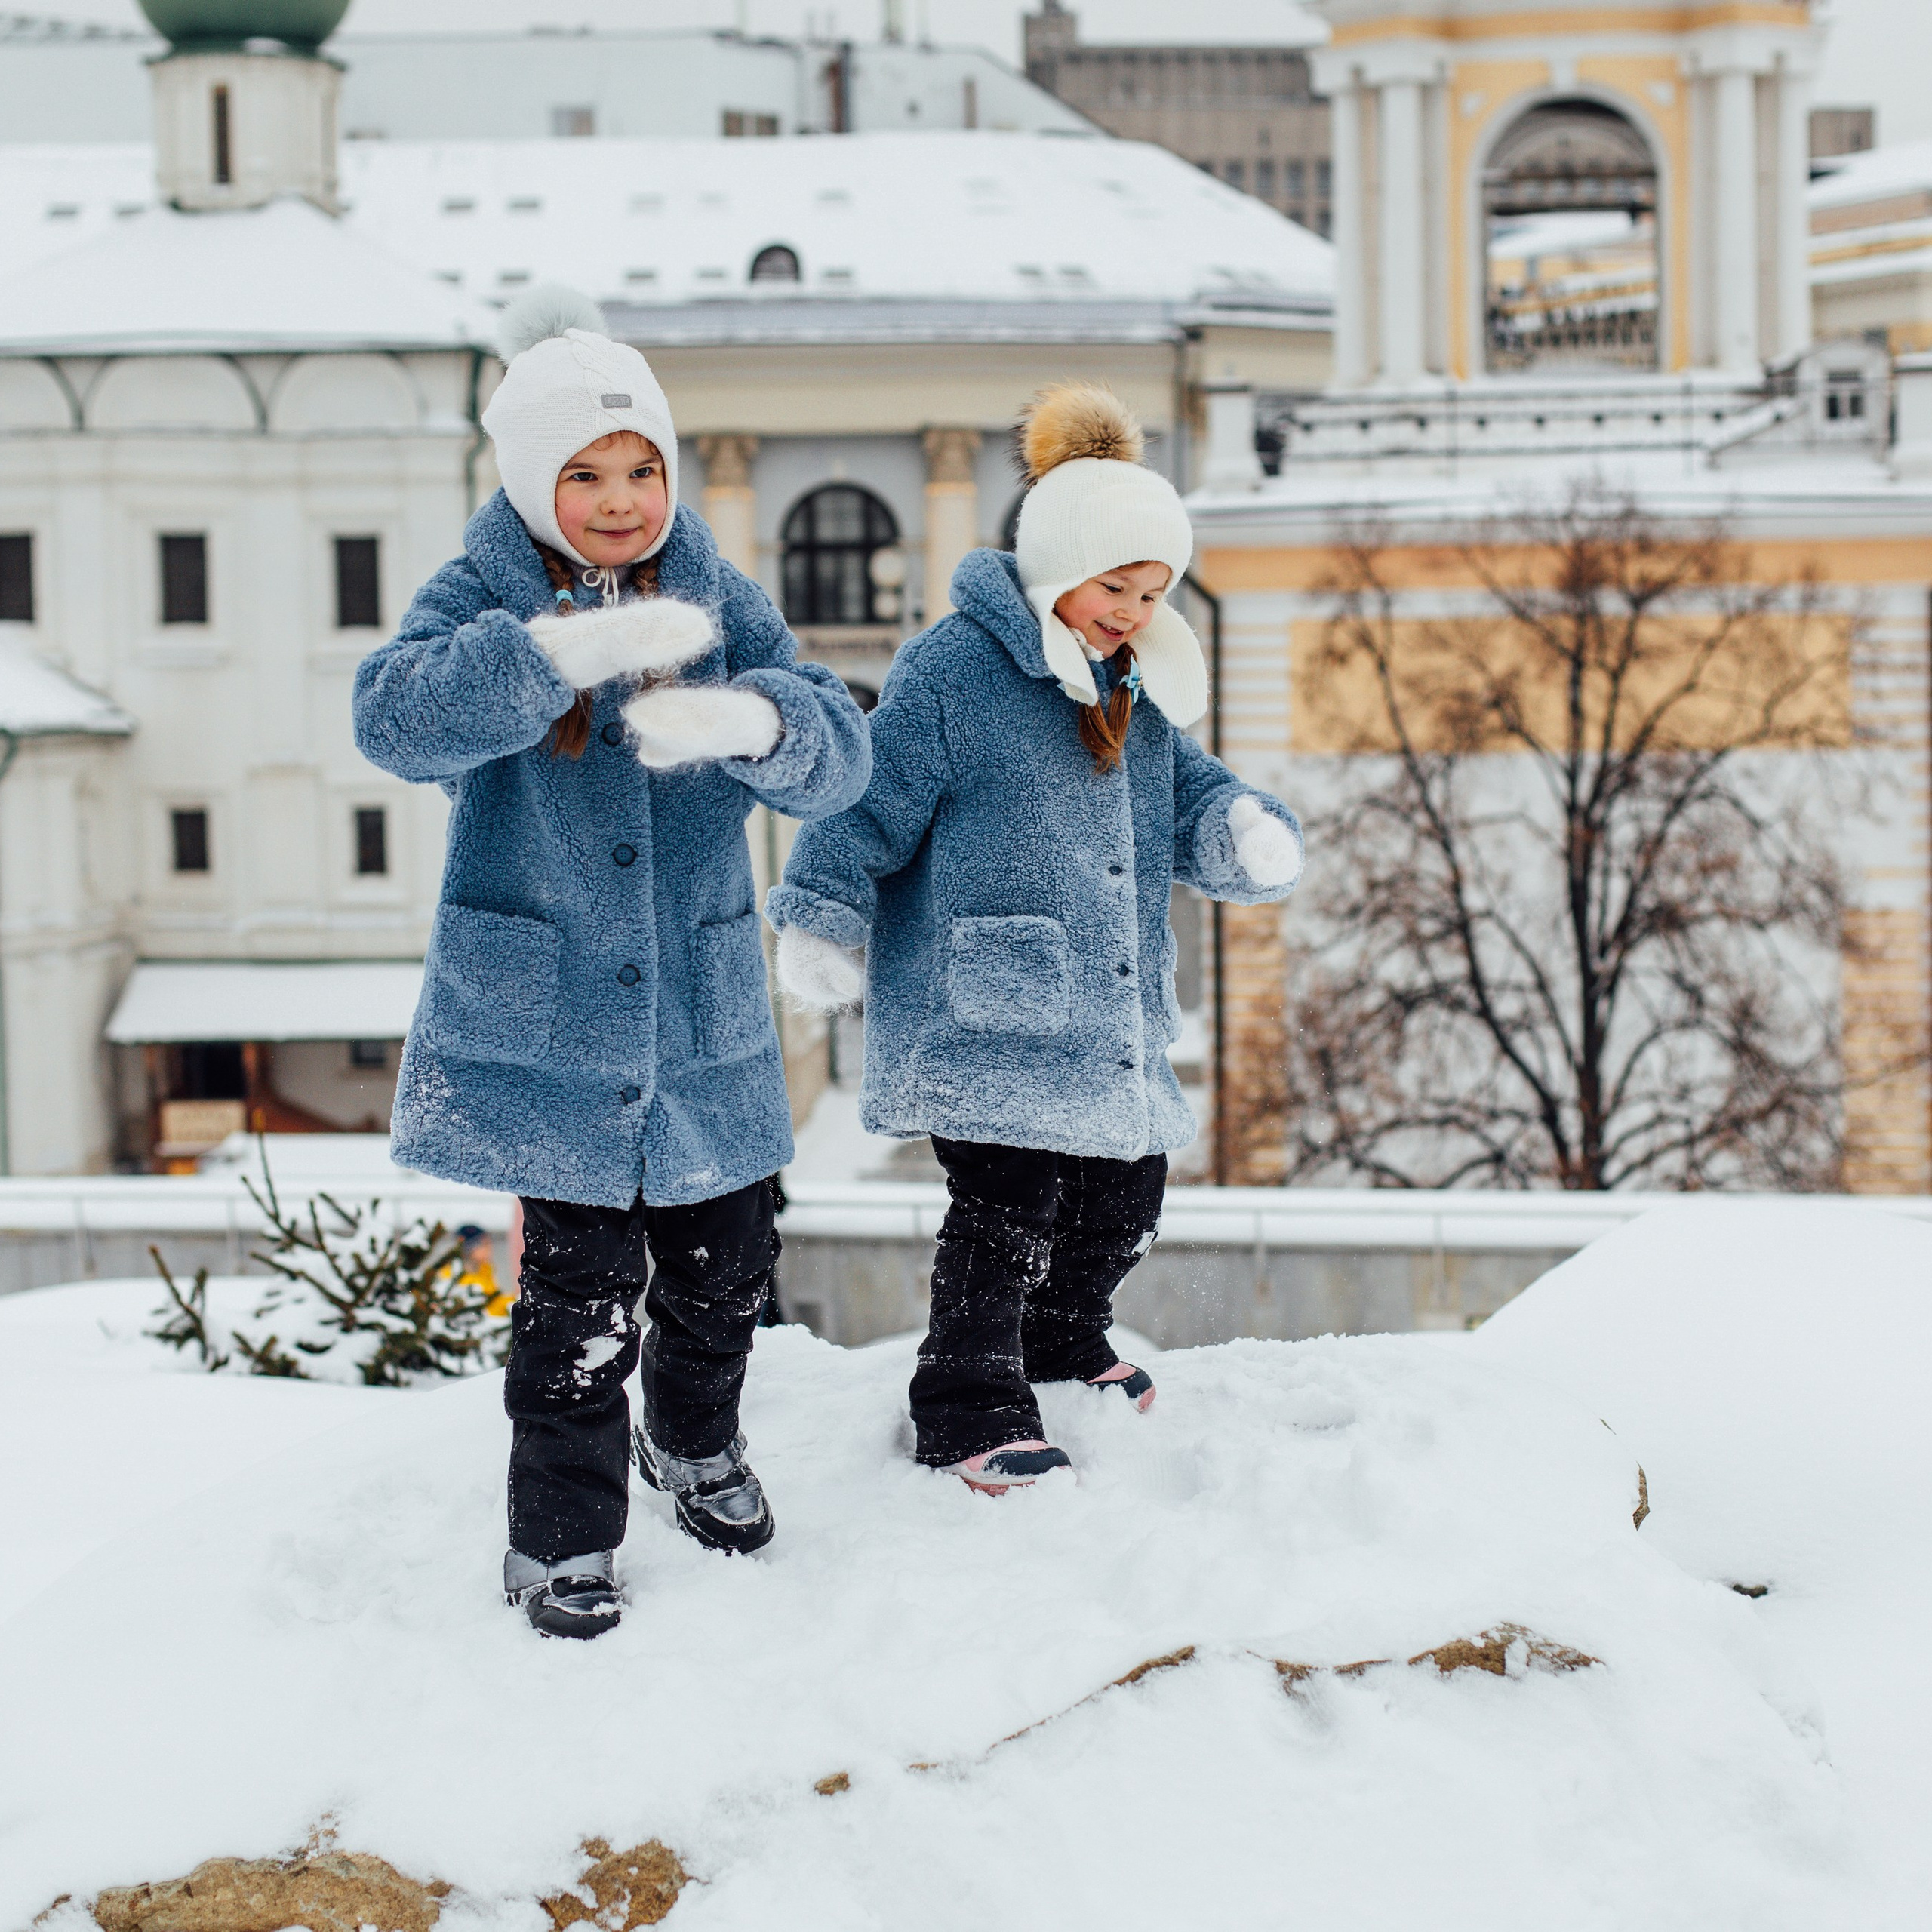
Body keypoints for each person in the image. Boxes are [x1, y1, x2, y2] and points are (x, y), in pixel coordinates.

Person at [353, 286, 870, 1635]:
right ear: (533, 481)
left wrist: (753, 720)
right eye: (585, 475)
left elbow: (837, 746)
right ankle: (564, 1541)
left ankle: (695, 1440)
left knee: (727, 1268)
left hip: (700, 1026)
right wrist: (545, 661)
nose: (622, 498)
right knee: (578, 1310)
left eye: (642, 467)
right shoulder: (479, 590)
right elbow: (393, 722)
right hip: (555, 1030)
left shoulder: (710, 585)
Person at [767, 383, 1302, 1494]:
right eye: (1116, 586)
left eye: (1154, 592)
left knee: (1125, 1194)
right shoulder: (952, 672)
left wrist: (1237, 829)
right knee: (1006, 1210)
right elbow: (867, 801)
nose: (1135, 608)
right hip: (987, 1008)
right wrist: (824, 916)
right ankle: (967, 1402)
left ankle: (1062, 1343)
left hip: (1105, 1008)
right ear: (1059, 569)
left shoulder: (1135, 682)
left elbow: (1184, 791)